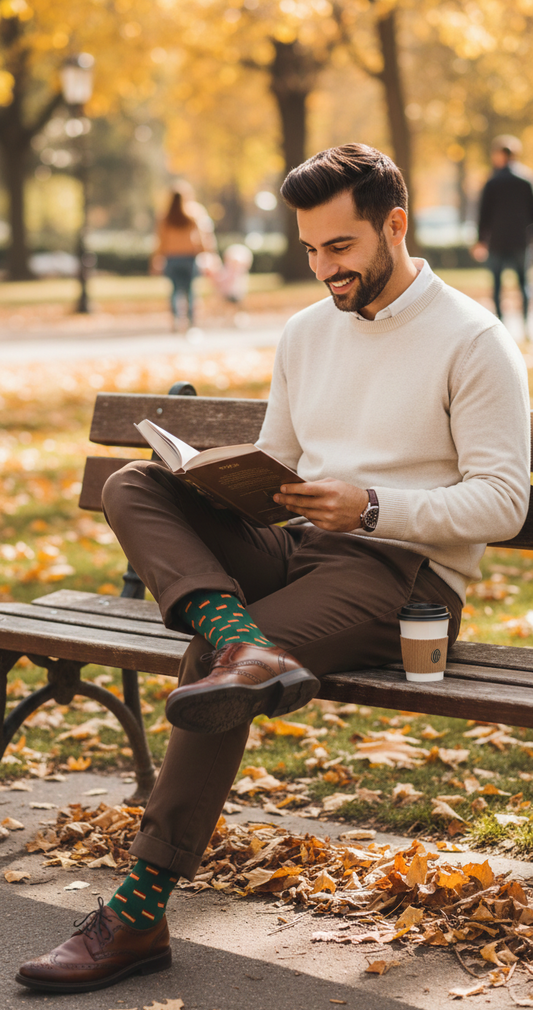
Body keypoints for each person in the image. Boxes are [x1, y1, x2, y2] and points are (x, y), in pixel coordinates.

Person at [17, 143, 531, 994]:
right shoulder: (305, 331)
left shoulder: (472, 339)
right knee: (136, 482)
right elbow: (282, 462)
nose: (324, 268)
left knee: (214, 672)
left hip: (400, 578)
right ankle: (238, 639)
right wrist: (223, 476)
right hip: (296, 548)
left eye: (340, 248)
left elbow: (502, 502)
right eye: (310, 250)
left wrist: (371, 505)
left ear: (392, 226)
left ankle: (138, 912)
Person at [473, 134, 533, 326]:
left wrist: (481, 240)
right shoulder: (525, 181)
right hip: (520, 240)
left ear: (499, 155)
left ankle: (500, 323)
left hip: (497, 241)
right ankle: (525, 323)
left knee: (497, 284)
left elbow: (484, 215)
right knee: (523, 282)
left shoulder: (492, 182)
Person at [152, 184, 214, 331]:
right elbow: (201, 237)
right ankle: (192, 321)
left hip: (171, 258)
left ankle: (175, 321)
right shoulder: (192, 214)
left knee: (174, 291)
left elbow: (160, 241)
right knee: (190, 291)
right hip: (189, 258)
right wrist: (207, 253)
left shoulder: (165, 217)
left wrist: (155, 259)